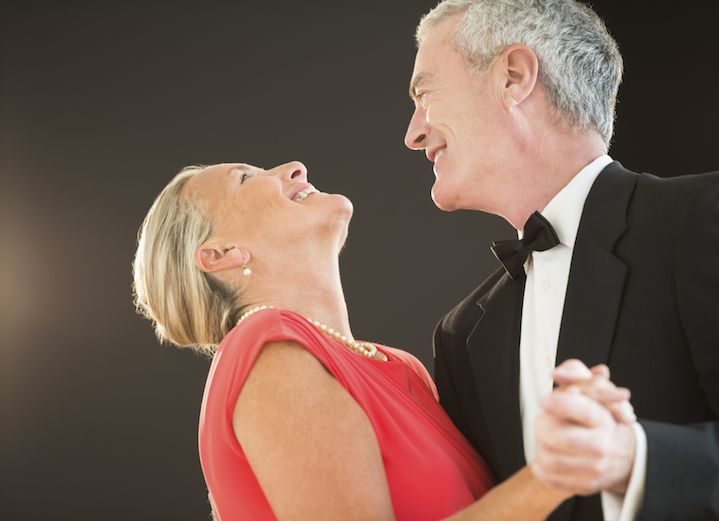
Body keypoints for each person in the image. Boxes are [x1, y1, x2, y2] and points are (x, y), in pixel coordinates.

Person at [403, 1, 719, 520]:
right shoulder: (462, 337)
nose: (412, 133)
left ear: (514, 77)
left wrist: (635, 458)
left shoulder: (705, 218)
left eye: (424, 94)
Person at [132, 161, 636, 521]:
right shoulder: (268, 349)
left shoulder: (401, 367)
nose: (293, 169)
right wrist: (552, 474)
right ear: (218, 254)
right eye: (245, 178)